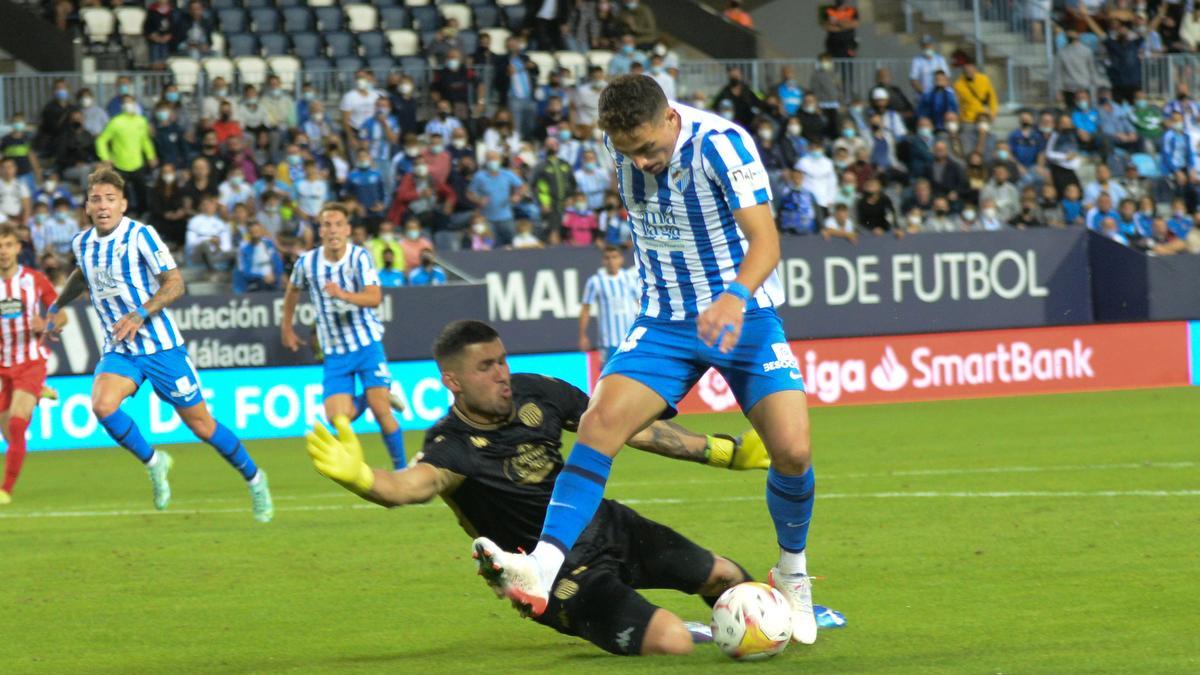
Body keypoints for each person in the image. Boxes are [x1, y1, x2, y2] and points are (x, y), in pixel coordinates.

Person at [471, 75, 819, 645]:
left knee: (793, 450)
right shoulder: (620, 139)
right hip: (664, 321)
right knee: (598, 424)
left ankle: (793, 573)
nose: (642, 161)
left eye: (650, 148)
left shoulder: (722, 145)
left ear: (669, 119)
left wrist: (732, 298)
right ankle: (543, 566)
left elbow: (766, 242)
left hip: (744, 311)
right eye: (629, 152)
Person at [303, 319, 769, 655]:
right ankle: (688, 627)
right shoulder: (452, 445)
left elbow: (631, 427)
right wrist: (363, 479)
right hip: (554, 578)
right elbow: (409, 487)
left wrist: (720, 451)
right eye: (485, 367)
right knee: (670, 641)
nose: (502, 373)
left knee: (726, 576)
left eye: (502, 360)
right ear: (453, 382)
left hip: (609, 527)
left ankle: (778, 625)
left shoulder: (538, 392)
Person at [43, 168, 272, 519]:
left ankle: (255, 479)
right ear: (87, 206)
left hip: (161, 347)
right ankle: (154, 461)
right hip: (121, 348)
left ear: (122, 204)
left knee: (202, 426)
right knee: (103, 407)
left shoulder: (141, 236)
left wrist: (140, 313)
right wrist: (58, 305)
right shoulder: (82, 243)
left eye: (109, 199)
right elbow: (81, 274)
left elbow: (175, 283)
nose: (102, 206)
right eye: (95, 199)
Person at [280, 202, 407, 469]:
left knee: (381, 412)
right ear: (320, 230)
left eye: (339, 224)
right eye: (327, 224)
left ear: (348, 229)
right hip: (334, 351)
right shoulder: (307, 263)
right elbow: (292, 290)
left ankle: (401, 468)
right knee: (339, 419)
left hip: (366, 344)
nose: (333, 229)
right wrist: (287, 328)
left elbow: (375, 297)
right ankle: (379, 393)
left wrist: (343, 295)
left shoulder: (359, 257)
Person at [0, 226, 61, 504]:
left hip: (30, 361)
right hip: (3, 365)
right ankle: (38, 392)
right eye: (0, 246)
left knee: (16, 425)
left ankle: (6, 491)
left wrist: (48, 323)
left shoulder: (34, 280)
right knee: (9, 435)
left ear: (17, 248)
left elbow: (62, 316)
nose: (3, 251)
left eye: (8, 245)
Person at [95, 96, 158, 216]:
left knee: (142, 191)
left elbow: (145, 141)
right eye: (125, 103)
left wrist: (151, 156)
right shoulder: (116, 122)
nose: (128, 105)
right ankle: (123, 217)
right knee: (121, 194)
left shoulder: (141, 121)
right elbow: (101, 141)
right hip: (119, 164)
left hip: (138, 163)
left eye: (131, 102)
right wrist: (105, 158)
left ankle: (143, 215)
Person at [579, 244, 639, 364]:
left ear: (621, 259)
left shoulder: (630, 278)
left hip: (630, 339)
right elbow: (586, 309)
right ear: (603, 261)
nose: (611, 261)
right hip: (608, 342)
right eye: (607, 258)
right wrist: (582, 335)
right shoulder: (595, 281)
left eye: (614, 257)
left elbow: (639, 304)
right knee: (610, 377)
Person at [233, 222, 283, 293]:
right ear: (249, 233)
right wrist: (262, 277)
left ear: (261, 231)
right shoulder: (244, 249)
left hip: (273, 279)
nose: (255, 234)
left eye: (257, 231)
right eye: (252, 232)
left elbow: (277, 261)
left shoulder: (268, 244)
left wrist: (275, 275)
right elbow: (243, 271)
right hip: (255, 282)